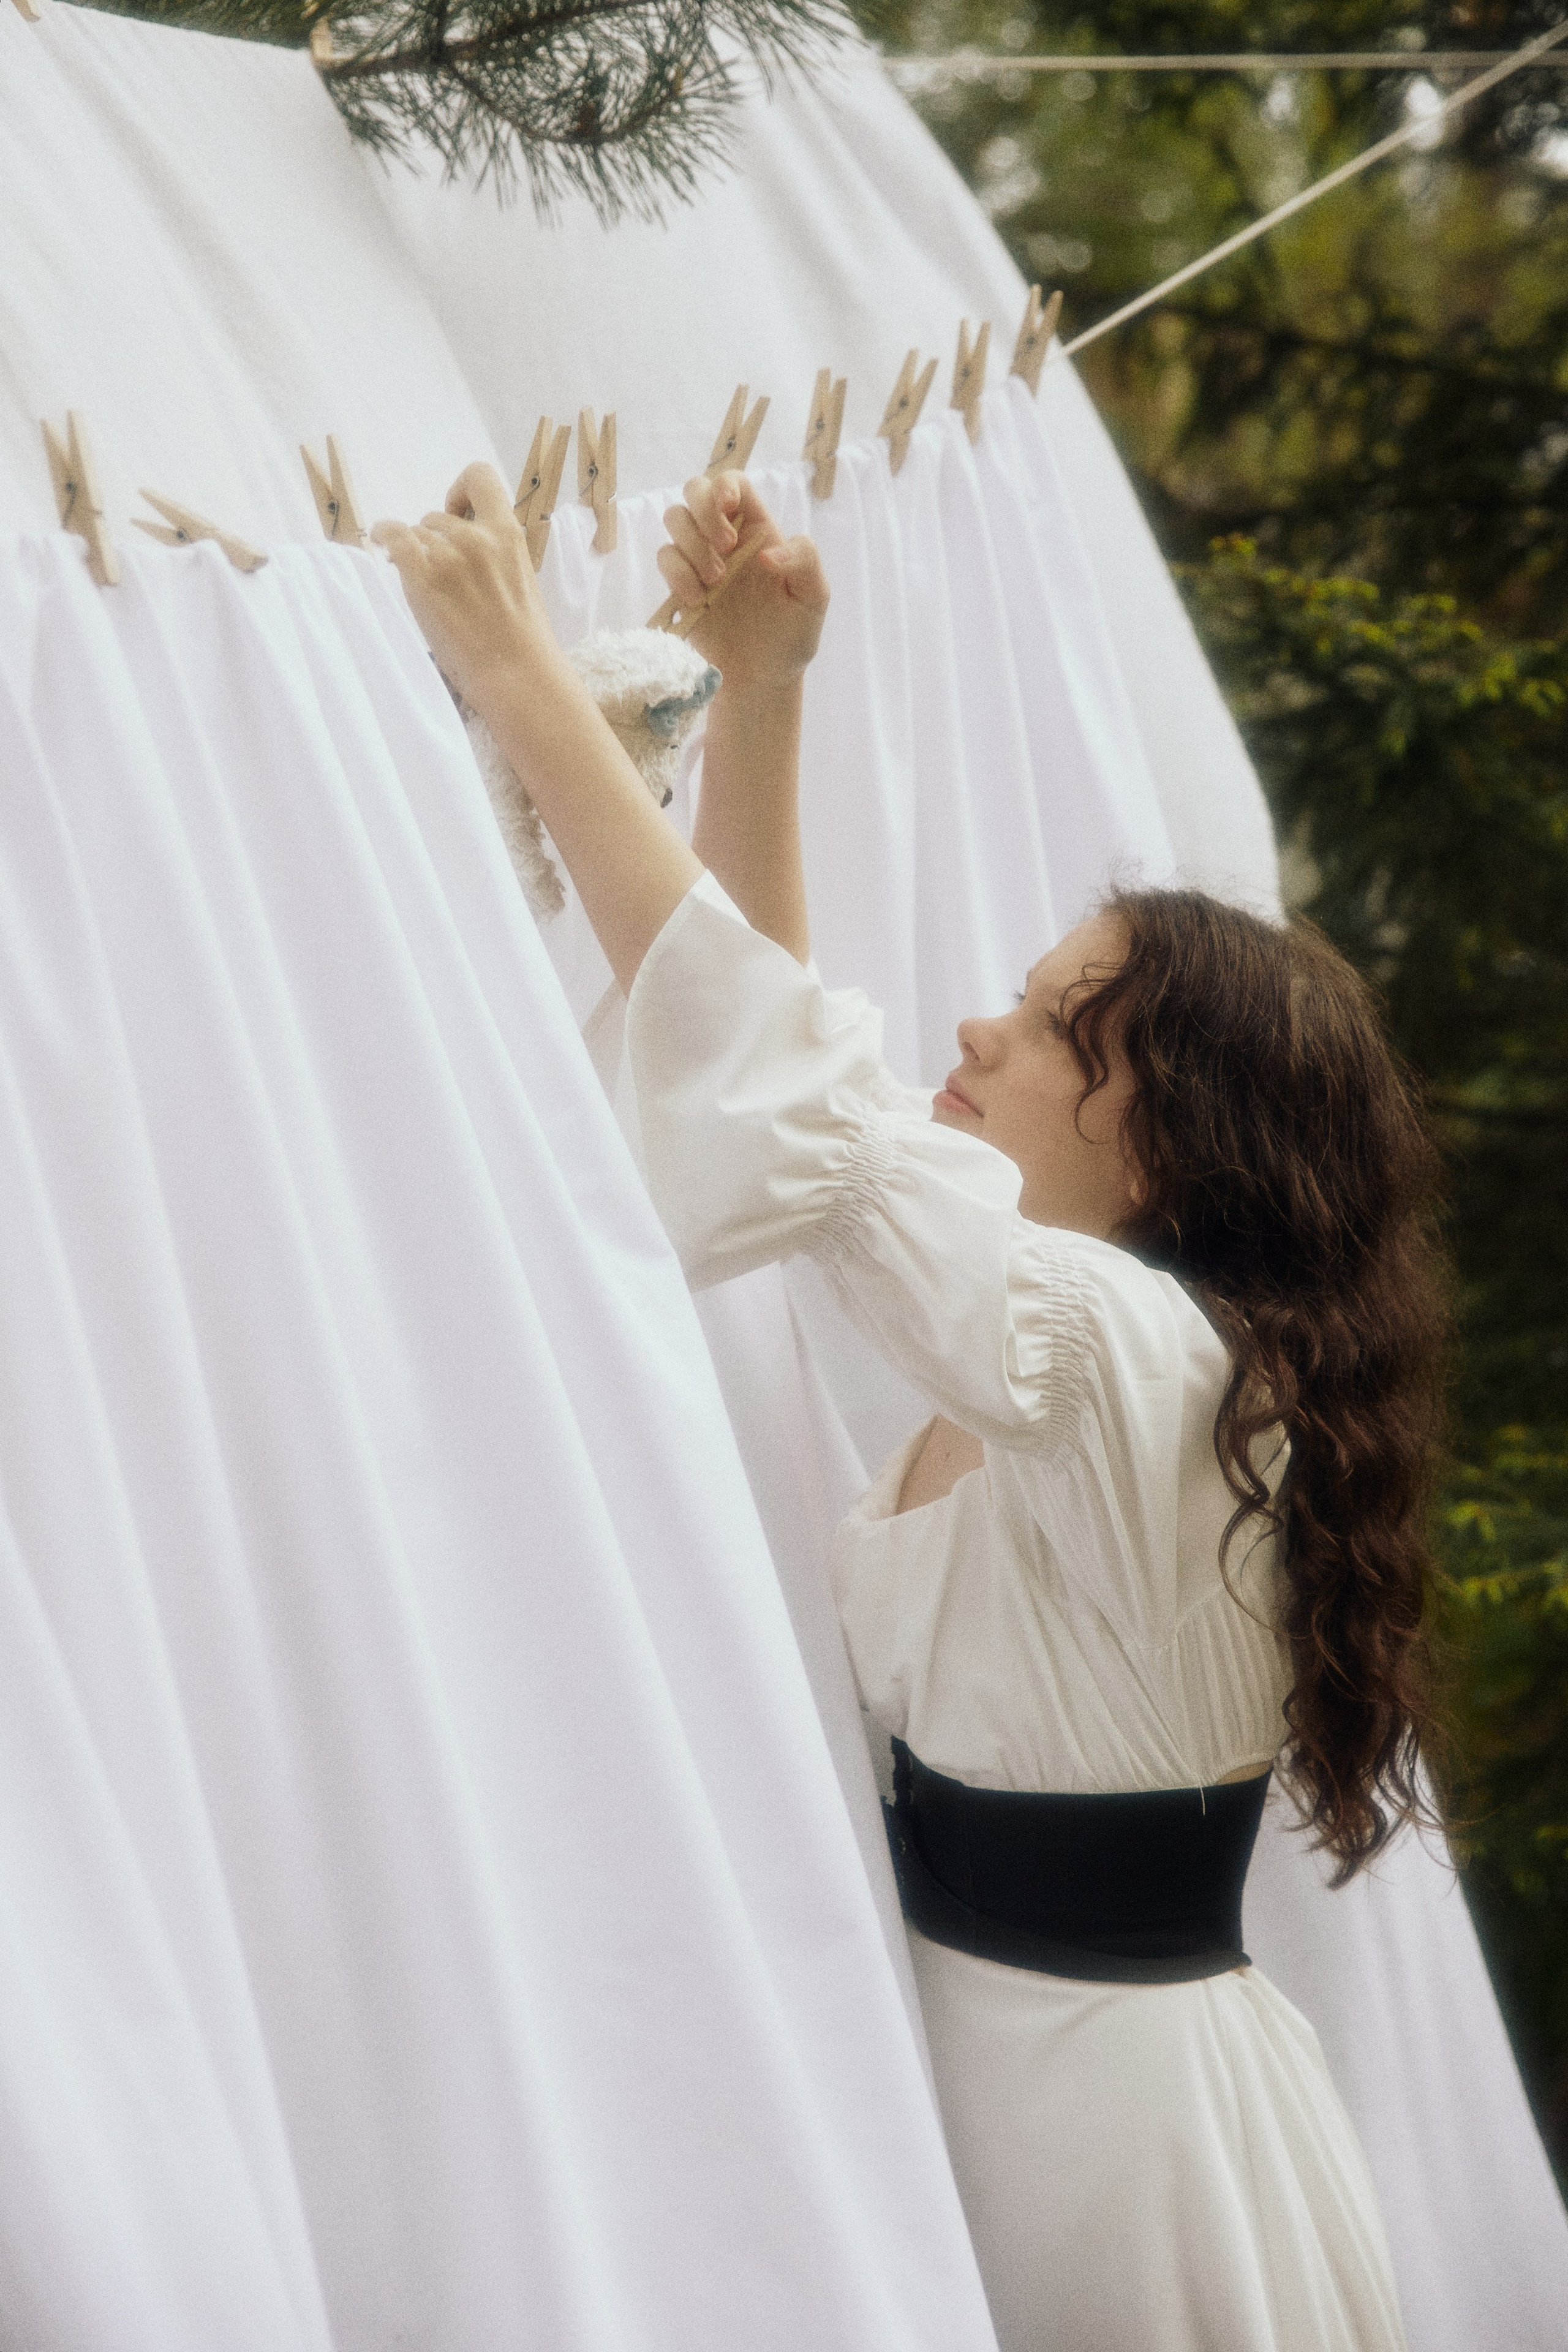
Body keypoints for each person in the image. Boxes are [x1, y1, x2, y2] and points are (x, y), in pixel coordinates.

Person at [373, 461, 1444, 2351]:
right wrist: (765, 696)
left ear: (1161, 1141)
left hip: (1126, 2148)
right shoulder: (1069, 1356)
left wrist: (520, 674)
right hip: (1007, 2085)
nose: (976, 1032)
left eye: (1046, 1026)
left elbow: (790, 1092)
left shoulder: (1145, 1366)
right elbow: (775, 1093)